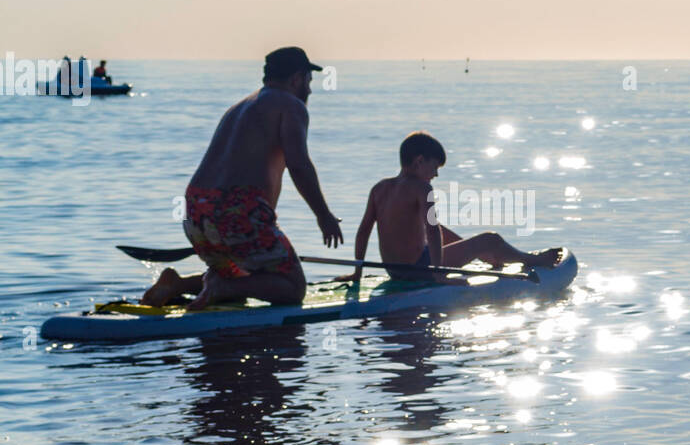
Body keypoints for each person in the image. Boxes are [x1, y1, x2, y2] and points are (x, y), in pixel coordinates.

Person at [142, 46, 342, 309]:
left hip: (195, 208)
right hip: (237, 210)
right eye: (309, 81)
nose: (310, 90)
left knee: (243, 282)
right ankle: (220, 286)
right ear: (296, 78)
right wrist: (323, 215)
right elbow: (299, 165)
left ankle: (179, 284)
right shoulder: (290, 105)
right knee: (293, 288)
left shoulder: (240, 106)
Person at [341, 131, 561, 282]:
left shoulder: (379, 188)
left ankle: (484, 254)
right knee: (490, 238)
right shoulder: (422, 189)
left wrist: (357, 273)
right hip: (420, 269)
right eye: (435, 167)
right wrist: (438, 273)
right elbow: (432, 232)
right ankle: (534, 260)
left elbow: (363, 232)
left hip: (394, 271)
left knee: (449, 233)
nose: (436, 174)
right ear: (419, 162)